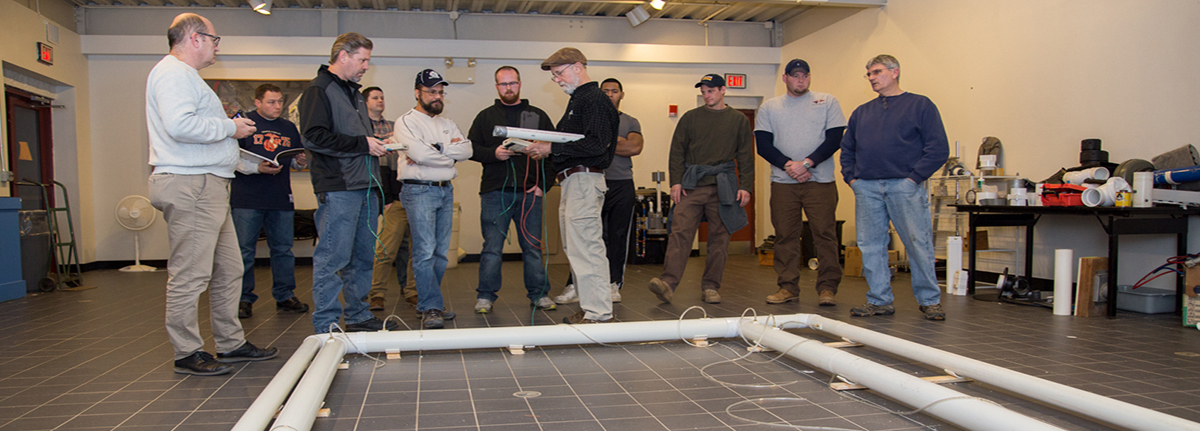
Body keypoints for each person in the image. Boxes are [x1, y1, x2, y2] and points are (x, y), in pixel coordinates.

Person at [145, 12, 277, 376]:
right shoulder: (173, 73)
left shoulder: (187, 78)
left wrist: (251, 166)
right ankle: (187, 351)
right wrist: (231, 126)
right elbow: (180, 126)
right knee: (191, 273)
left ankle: (230, 343)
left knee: (229, 270)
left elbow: (207, 145)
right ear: (195, 38)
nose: (217, 47)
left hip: (208, 184)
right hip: (192, 186)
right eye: (215, 40)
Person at [298, 32, 397, 333]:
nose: (366, 66)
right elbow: (314, 137)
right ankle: (326, 323)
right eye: (362, 59)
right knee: (333, 258)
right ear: (343, 56)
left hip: (364, 185)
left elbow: (354, 138)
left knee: (362, 256)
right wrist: (362, 145)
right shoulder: (318, 90)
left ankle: (358, 315)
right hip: (338, 187)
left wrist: (377, 142)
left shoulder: (354, 93)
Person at [840, 54, 949, 321]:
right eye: (868, 74)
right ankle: (879, 300)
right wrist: (852, 179)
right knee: (871, 245)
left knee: (917, 242)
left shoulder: (920, 105)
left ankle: (929, 300)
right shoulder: (862, 112)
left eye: (876, 72)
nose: (872, 78)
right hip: (866, 187)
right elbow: (847, 150)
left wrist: (913, 179)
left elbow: (938, 149)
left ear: (895, 72)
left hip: (904, 185)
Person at [523, 48, 619, 324]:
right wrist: (549, 150)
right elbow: (577, 143)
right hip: (574, 180)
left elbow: (595, 144)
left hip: (584, 180)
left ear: (578, 67)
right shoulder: (580, 100)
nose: (557, 80)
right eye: (554, 76)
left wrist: (551, 147)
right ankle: (592, 307)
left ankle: (600, 313)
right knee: (577, 248)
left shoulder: (594, 99)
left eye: (559, 73)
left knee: (587, 248)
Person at [647, 74, 754, 305]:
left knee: (720, 238)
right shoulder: (690, 118)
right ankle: (667, 284)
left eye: (711, 90)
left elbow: (746, 155)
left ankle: (711, 287)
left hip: (723, 185)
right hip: (692, 185)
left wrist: (746, 186)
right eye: (704, 91)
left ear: (723, 90)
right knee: (680, 232)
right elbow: (677, 151)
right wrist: (676, 182)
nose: (707, 95)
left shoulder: (738, 120)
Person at [755, 59, 846, 307]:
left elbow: (835, 139)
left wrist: (806, 164)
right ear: (785, 78)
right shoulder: (770, 107)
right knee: (785, 235)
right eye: (795, 76)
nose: (801, 80)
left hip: (820, 182)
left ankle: (827, 288)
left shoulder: (827, 102)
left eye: (805, 75)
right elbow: (763, 145)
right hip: (783, 183)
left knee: (825, 234)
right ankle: (787, 287)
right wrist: (790, 166)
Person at [467, 66, 557, 314]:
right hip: (495, 193)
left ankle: (539, 294)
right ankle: (485, 296)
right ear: (497, 87)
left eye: (512, 83)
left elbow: (554, 153)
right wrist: (493, 154)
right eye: (503, 84)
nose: (508, 88)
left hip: (531, 193)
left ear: (519, 84)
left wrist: (544, 186)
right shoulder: (485, 117)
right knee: (492, 248)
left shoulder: (537, 116)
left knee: (532, 247)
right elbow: (470, 149)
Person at [394, 69, 472, 329]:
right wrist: (449, 153)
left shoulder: (446, 123)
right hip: (419, 190)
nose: (437, 97)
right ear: (418, 92)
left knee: (440, 254)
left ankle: (430, 303)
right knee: (425, 252)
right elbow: (419, 153)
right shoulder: (405, 122)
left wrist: (437, 149)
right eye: (431, 92)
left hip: (444, 189)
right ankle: (430, 306)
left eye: (440, 92)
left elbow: (467, 149)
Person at [555, 78, 643, 305]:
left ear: (621, 94)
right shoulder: (590, 115)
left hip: (621, 183)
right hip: (590, 179)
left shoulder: (629, 121)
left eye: (615, 91)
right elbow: (594, 144)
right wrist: (612, 143)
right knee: (587, 238)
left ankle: (612, 285)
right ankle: (575, 284)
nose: (610, 94)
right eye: (606, 91)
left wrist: (604, 142)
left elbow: (634, 147)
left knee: (617, 237)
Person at [232, 84, 311, 319]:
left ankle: (285, 295)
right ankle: (243, 299)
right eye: (271, 102)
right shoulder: (243, 124)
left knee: (283, 250)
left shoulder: (288, 128)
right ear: (257, 102)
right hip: (247, 198)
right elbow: (230, 157)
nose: (277, 106)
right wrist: (257, 167)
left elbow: (295, 163)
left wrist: (301, 160)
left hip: (280, 198)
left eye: (279, 102)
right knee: (244, 251)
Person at [363, 87, 419, 311]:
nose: (380, 101)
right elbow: (382, 169)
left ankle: (412, 291)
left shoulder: (395, 127)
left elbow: (400, 163)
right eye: (375, 97)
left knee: (415, 251)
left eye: (382, 97)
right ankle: (376, 293)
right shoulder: (361, 128)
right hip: (383, 195)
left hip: (408, 195)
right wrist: (386, 198)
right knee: (385, 249)